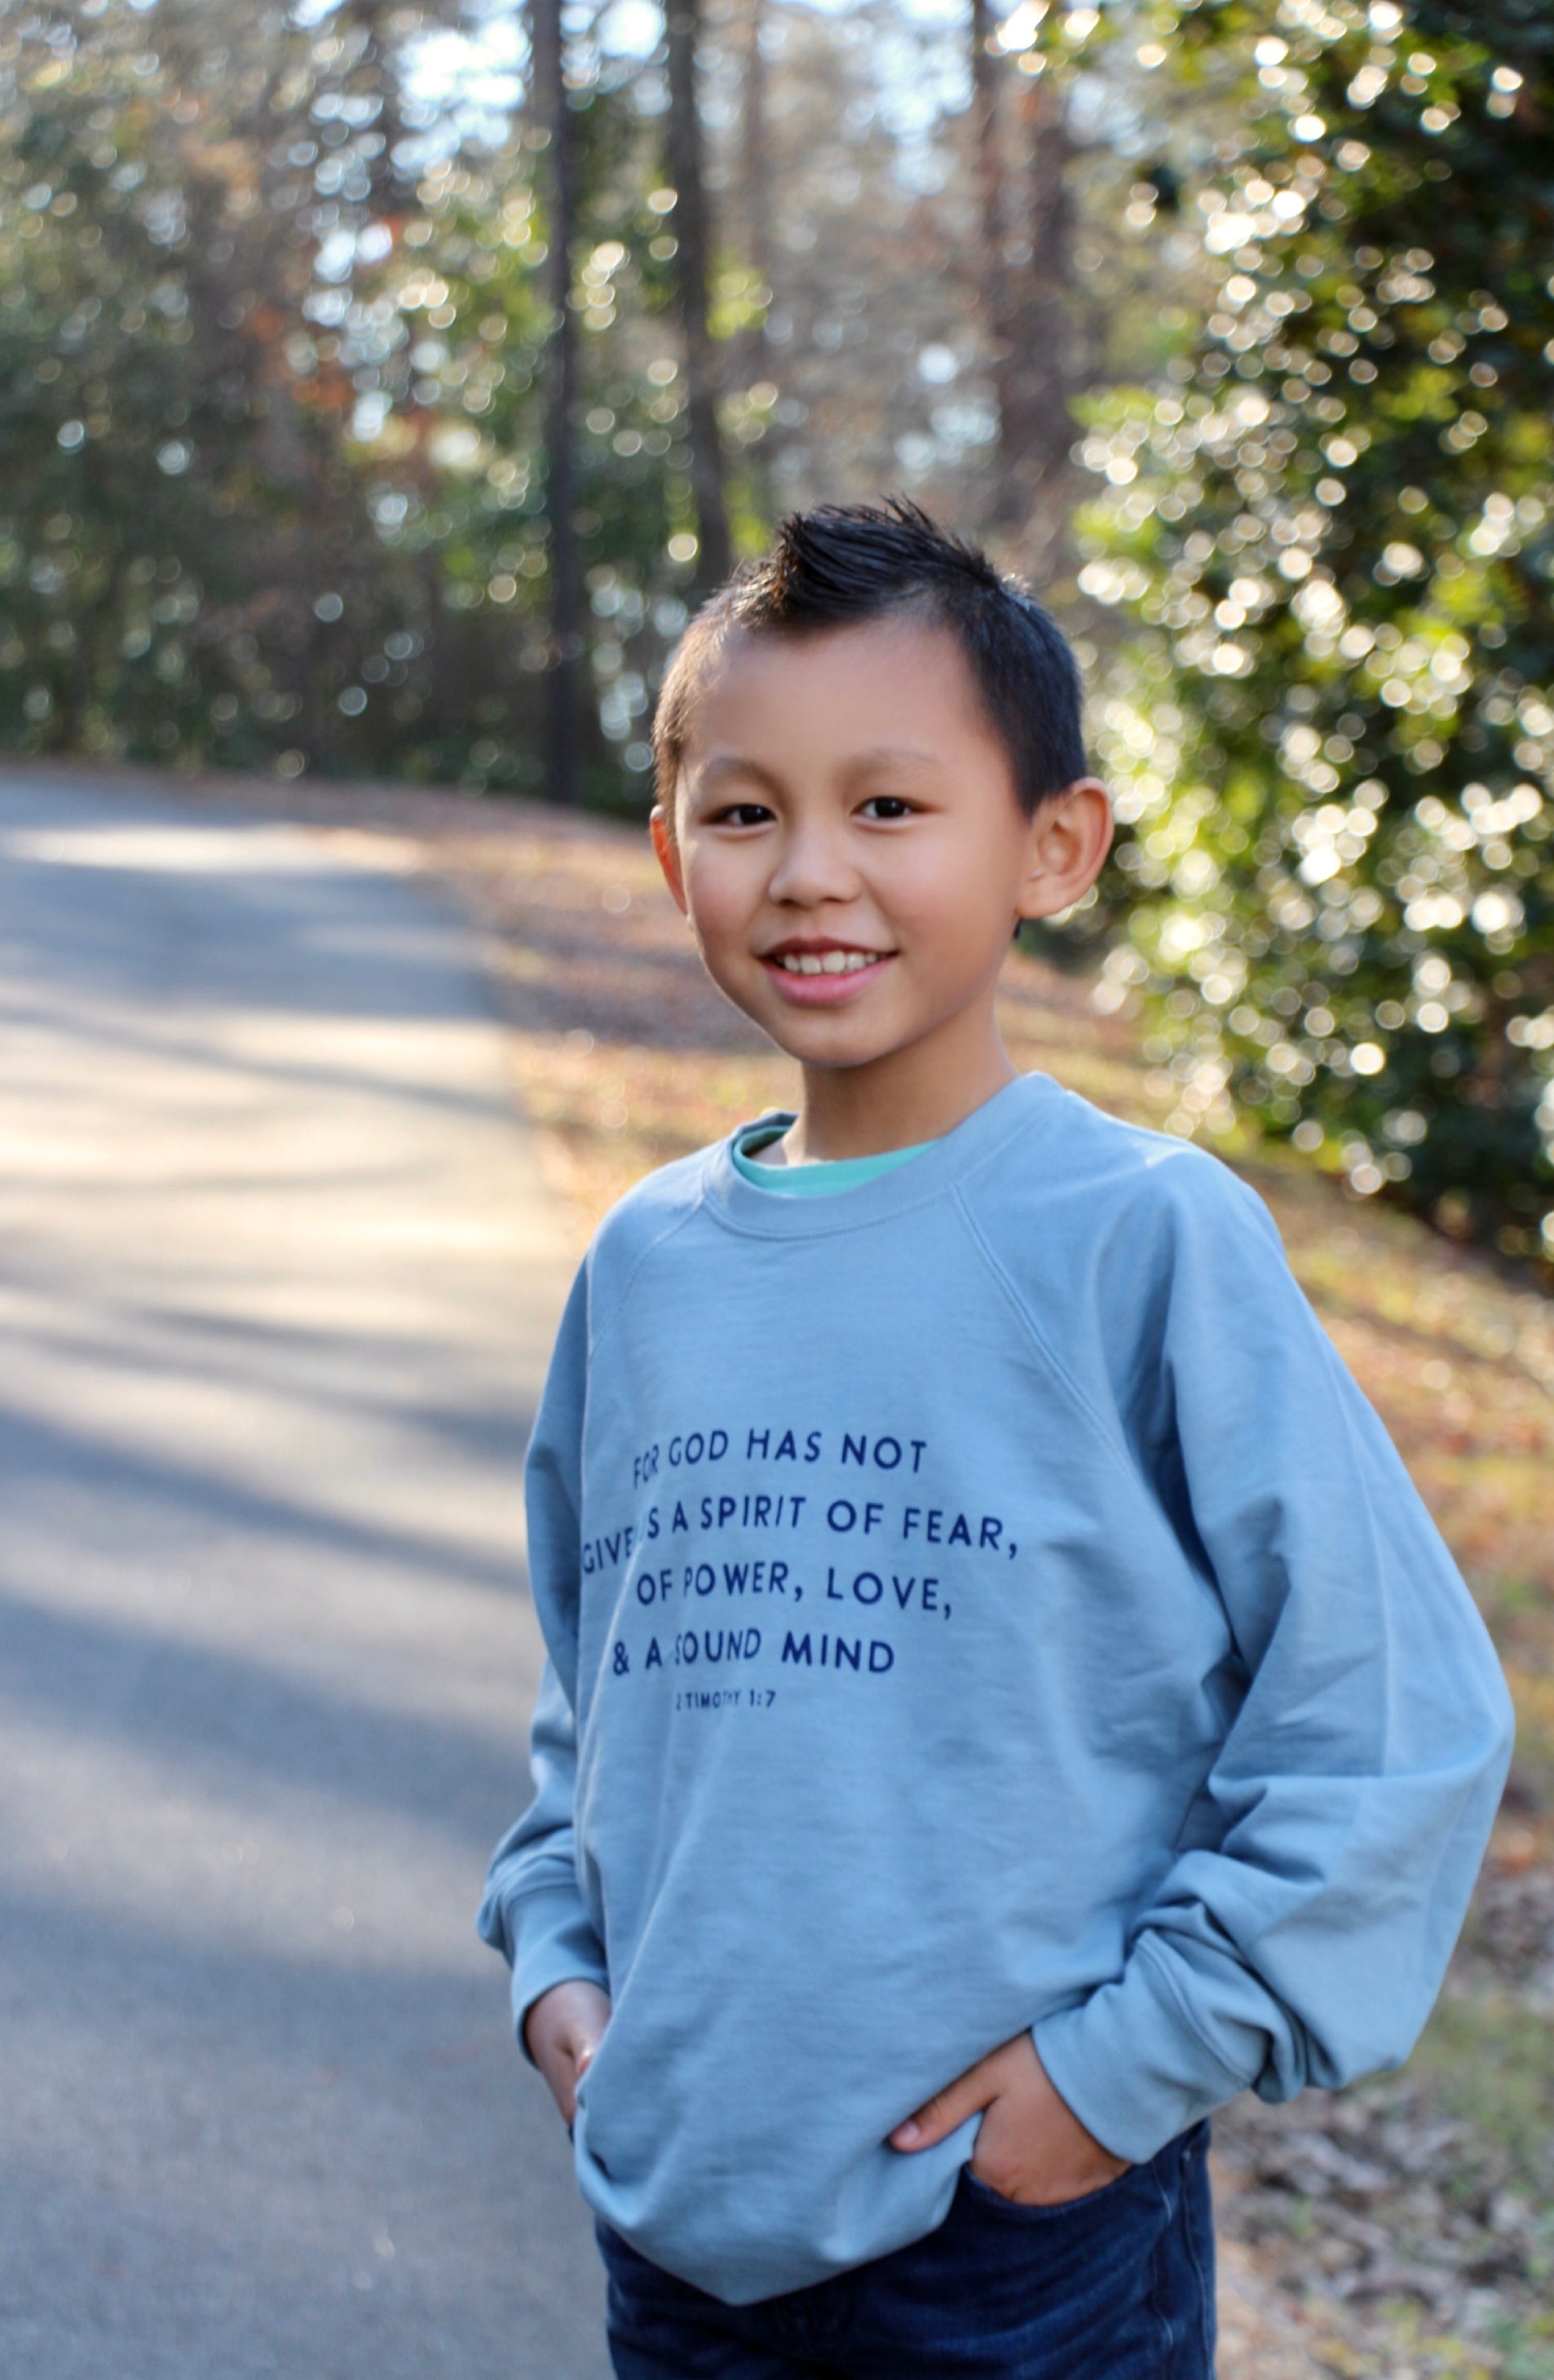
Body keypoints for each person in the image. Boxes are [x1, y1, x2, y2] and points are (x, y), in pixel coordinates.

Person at [479, 499, 1513, 2379]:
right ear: (671, 852)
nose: (811, 871)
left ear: (1055, 844)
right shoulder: (645, 1266)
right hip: (681, 2219)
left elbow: (1391, 1717)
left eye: (888, 805)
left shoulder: (1141, 1236)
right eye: (743, 812)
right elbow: (598, 1694)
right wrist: (557, 1959)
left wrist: (1115, 2077)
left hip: (1017, 2244)